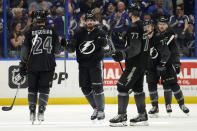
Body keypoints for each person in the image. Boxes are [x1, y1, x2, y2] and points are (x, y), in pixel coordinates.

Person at [61, 12, 109, 120]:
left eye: (91, 20)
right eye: (88, 20)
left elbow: (107, 48)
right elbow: (72, 48)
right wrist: (66, 45)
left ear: (94, 22)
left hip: (95, 64)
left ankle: (101, 110)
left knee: (97, 87)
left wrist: (104, 43)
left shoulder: (100, 32)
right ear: (84, 22)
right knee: (85, 88)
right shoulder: (78, 33)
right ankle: (96, 108)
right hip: (82, 65)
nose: (90, 22)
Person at [109, 4, 149, 126]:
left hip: (134, 64)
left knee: (122, 87)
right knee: (137, 89)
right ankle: (142, 115)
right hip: (142, 63)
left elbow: (135, 48)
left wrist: (122, 54)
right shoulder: (145, 26)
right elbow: (139, 43)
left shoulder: (134, 28)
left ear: (130, 14)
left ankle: (122, 116)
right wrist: (123, 37)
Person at [19, 10, 61, 124]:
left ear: (34, 20)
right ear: (45, 19)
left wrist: (22, 66)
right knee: (44, 89)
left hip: (32, 65)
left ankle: (32, 111)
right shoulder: (52, 31)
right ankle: (41, 111)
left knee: (32, 89)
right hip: (48, 65)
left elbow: (24, 52)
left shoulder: (29, 32)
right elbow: (57, 51)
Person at [147, 15, 189, 117]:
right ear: (157, 25)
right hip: (152, 65)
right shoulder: (151, 33)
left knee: (173, 84)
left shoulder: (170, 35)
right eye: (160, 24)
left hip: (166, 64)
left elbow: (174, 51)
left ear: (167, 25)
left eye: (164, 24)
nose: (161, 26)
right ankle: (155, 107)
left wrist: (177, 64)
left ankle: (181, 104)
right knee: (151, 85)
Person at [144, 19, 173, 117]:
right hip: (149, 67)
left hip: (160, 66)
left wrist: (162, 63)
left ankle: (168, 105)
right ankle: (155, 107)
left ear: (152, 27)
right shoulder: (143, 38)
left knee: (167, 84)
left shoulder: (158, 37)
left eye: (149, 26)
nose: (147, 28)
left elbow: (166, 53)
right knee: (151, 85)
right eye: (145, 27)